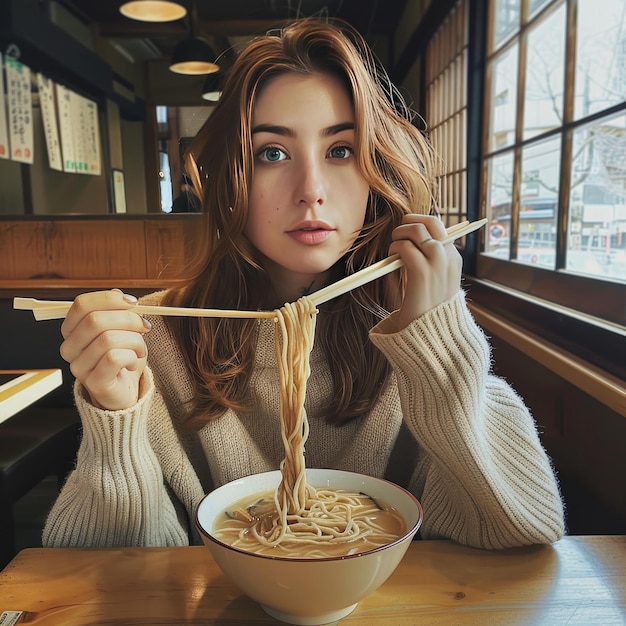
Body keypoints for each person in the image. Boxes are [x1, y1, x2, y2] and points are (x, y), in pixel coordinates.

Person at [43, 18, 564, 550]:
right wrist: (114, 414)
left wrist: (443, 346)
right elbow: (102, 566)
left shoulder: (413, 326)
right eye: (272, 153)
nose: (311, 190)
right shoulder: (152, 335)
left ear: (374, 171)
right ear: (231, 178)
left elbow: (522, 529)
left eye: (340, 150)